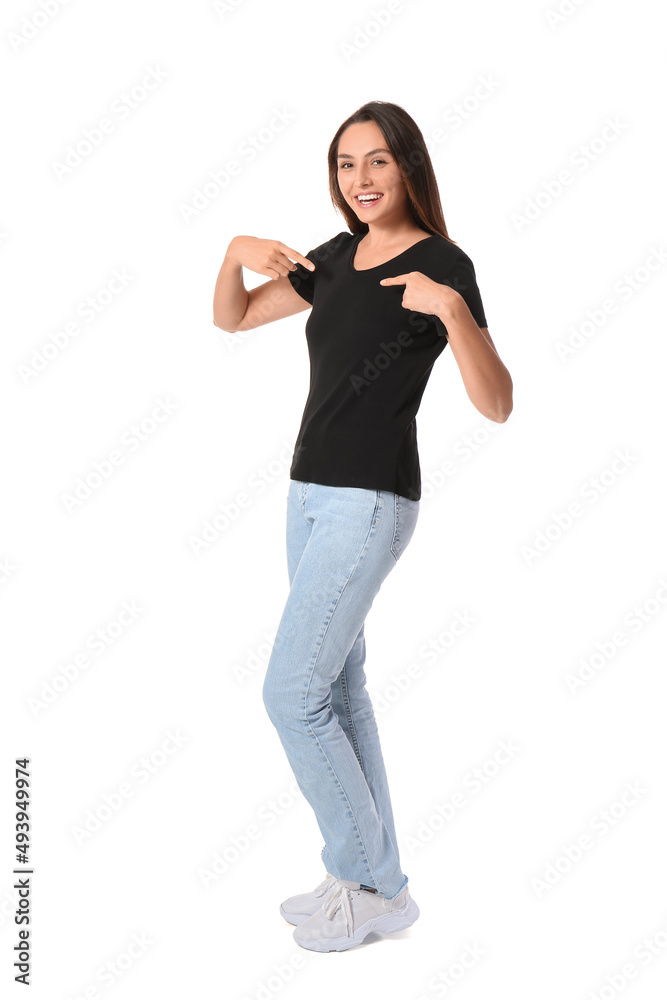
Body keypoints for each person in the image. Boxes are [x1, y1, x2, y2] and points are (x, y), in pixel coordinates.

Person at [212, 100, 513, 953]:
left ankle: (368, 879)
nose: (361, 179)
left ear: (408, 167)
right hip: (306, 496)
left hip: (371, 500)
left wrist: (452, 312)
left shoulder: (442, 264)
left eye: (377, 161)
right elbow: (231, 317)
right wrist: (234, 252)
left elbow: (496, 405)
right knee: (338, 692)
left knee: (289, 694)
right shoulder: (336, 258)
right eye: (346, 164)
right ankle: (373, 883)